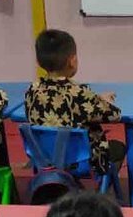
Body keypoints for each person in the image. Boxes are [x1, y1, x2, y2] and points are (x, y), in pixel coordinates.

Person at [24, 29, 123, 174]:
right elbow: (115, 115)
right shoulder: (80, 93)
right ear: (72, 61)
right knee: (118, 148)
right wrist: (104, 102)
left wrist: (96, 99)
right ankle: (100, 192)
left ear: (38, 62)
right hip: (81, 163)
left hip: (45, 159)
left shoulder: (32, 91)